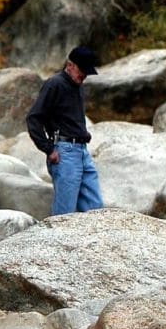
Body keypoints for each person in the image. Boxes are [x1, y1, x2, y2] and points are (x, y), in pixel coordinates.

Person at [26, 46, 104, 216]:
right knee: (65, 213)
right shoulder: (55, 84)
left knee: (96, 208)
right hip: (64, 152)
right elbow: (34, 118)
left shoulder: (77, 85)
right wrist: (48, 148)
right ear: (70, 65)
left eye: (87, 72)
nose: (84, 75)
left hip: (82, 151)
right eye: (82, 70)